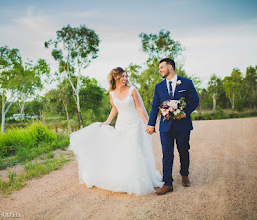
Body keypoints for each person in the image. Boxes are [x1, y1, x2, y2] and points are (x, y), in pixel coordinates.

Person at [69, 67, 164, 196]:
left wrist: (148, 123)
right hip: (121, 125)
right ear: (115, 78)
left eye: (126, 76)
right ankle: (126, 180)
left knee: (135, 149)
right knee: (125, 151)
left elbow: (139, 108)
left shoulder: (132, 90)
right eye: (122, 76)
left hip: (135, 124)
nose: (125, 79)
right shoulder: (112, 93)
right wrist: (107, 122)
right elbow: (114, 108)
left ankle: (138, 182)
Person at [147, 58, 199, 195]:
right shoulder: (159, 87)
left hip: (182, 125)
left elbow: (195, 100)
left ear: (170, 67)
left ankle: (184, 174)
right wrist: (151, 124)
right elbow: (154, 107)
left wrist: (185, 113)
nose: (160, 70)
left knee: (183, 150)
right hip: (165, 126)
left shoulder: (186, 83)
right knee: (167, 154)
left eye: (161, 67)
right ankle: (168, 183)